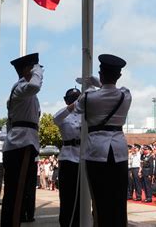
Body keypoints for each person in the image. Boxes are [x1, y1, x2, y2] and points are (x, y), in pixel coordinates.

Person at [57, 54, 131, 226]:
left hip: (97, 151)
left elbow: (78, 109)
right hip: (119, 150)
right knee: (119, 199)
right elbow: (111, 88)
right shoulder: (125, 95)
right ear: (119, 75)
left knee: (100, 199)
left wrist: (91, 84)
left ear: (101, 73)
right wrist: (98, 82)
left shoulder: (89, 97)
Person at [1, 53, 43, 226]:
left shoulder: (23, 91)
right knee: (17, 192)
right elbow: (35, 86)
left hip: (21, 141)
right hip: (22, 142)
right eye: (33, 67)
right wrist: (38, 73)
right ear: (26, 69)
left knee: (18, 190)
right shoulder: (22, 88)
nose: (37, 71)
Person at [53, 87, 81, 227]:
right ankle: (66, 223)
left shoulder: (87, 115)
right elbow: (55, 119)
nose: (75, 100)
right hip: (68, 157)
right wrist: (73, 106)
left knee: (82, 196)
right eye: (72, 98)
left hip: (83, 156)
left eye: (78, 97)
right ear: (66, 100)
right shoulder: (63, 115)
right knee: (67, 195)